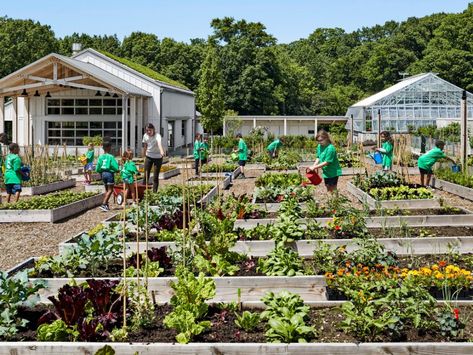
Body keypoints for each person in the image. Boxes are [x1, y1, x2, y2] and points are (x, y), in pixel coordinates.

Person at [96, 141, 119, 212]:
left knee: (106, 190)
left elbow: (98, 167)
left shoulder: (101, 157)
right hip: (109, 174)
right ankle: (104, 203)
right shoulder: (111, 157)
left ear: (103, 148)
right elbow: (115, 166)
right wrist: (117, 170)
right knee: (110, 190)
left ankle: (106, 206)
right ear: (109, 148)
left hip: (103, 173)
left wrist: (100, 172)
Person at [142, 123, 165, 192]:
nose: (148, 132)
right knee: (146, 175)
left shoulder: (157, 136)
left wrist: (161, 151)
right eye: (147, 130)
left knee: (155, 176)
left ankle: (154, 193)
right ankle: (143, 192)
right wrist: (143, 155)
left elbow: (159, 144)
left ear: (153, 129)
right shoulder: (145, 136)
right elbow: (145, 146)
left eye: (150, 130)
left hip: (158, 157)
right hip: (149, 156)